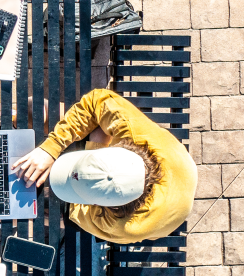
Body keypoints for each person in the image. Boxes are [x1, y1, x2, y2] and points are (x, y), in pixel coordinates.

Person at [12, 88, 198, 244]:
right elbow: (96, 103)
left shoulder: (124, 226)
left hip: (169, 215)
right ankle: (11, 117)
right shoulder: (135, 133)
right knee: (48, 113)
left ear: (98, 205)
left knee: (48, 206)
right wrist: (50, 149)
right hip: (180, 165)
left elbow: (78, 212)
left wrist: (94, 144)